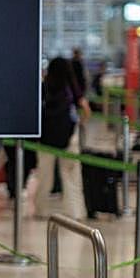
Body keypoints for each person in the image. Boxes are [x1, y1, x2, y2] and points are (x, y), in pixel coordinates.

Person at [34, 57, 88, 221]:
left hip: (45, 138)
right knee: (71, 176)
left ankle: (41, 210)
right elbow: (86, 110)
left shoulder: (43, 87)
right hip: (69, 136)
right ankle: (75, 212)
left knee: (44, 175)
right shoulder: (71, 89)